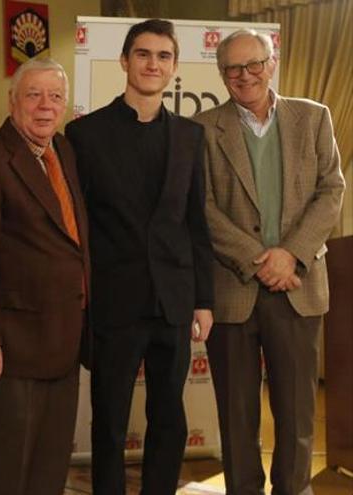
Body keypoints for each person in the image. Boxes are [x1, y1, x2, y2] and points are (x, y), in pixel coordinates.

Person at [64, 19, 215, 495]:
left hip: (173, 300)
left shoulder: (191, 136)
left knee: (169, 416)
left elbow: (196, 223)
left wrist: (203, 300)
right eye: (144, 54)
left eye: (164, 56)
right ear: (125, 61)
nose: (153, 64)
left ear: (174, 67)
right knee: (108, 419)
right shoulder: (84, 134)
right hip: (114, 300)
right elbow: (79, 226)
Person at [192, 29, 345, 495]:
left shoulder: (313, 117)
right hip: (234, 291)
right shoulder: (200, 129)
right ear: (222, 75)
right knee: (237, 418)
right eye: (234, 69)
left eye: (254, 64)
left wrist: (291, 255)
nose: (245, 76)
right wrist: (259, 260)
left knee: (298, 414)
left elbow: (331, 191)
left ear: (271, 62)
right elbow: (202, 207)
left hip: (298, 287)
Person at [0, 58, 89, 495]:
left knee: (48, 470)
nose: (44, 106)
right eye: (33, 95)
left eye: (55, 96)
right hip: (12, 348)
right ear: (12, 101)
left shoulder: (65, 152)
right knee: (5, 473)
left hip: (64, 340)